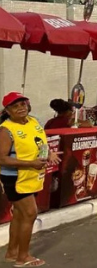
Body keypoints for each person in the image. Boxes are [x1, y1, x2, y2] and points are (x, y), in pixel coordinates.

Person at [0, 92, 60, 268]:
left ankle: (12, 252)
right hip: (15, 178)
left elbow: (39, 142)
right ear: (8, 110)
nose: (20, 108)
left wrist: (49, 153)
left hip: (32, 175)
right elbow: (2, 159)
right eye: (15, 106)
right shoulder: (6, 129)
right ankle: (23, 257)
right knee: (30, 213)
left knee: (19, 214)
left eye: (23, 104)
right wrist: (29, 163)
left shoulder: (33, 122)